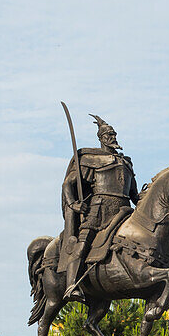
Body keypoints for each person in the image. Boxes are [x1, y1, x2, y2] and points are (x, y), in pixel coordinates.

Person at [61, 115, 140, 300]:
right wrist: (73, 204)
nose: (113, 137)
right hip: (99, 210)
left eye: (114, 134)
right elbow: (68, 184)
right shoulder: (91, 159)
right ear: (101, 138)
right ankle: (71, 284)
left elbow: (134, 195)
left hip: (124, 210)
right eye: (109, 134)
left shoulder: (126, 162)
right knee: (84, 241)